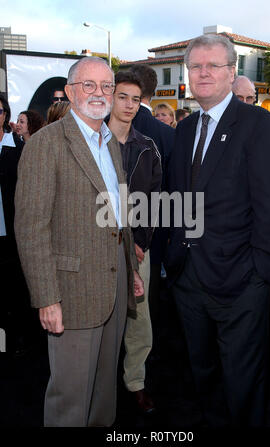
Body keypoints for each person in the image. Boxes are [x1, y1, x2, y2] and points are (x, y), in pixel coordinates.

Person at [165, 34, 270, 427]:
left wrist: (261, 274)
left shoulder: (259, 124)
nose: (203, 73)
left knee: (243, 385)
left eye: (212, 66)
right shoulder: (183, 131)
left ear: (231, 72)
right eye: (196, 66)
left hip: (242, 283)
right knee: (203, 379)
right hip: (188, 280)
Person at [14, 56, 144, 427]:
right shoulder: (46, 144)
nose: (99, 93)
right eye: (89, 85)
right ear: (71, 92)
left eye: (106, 86)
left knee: (105, 392)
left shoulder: (110, 142)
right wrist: (47, 298)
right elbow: (32, 227)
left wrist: (130, 268)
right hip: (71, 291)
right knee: (71, 398)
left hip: (115, 281)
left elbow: (119, 215)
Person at [108, 70, 162, 413]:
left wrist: (139, 242)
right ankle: (99, 385)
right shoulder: (92, 143)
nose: (129, 105)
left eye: (135, 99)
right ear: (110, 98)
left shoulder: (148, 147)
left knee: (139, 321)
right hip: (96, 247)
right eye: (122, 97)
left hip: (138, 249)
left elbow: (155, 201)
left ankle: (136, 382)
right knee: (99, 317)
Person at [129, 64, 175, 368]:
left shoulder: (103, 124)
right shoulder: (167, 134)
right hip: (155, 236)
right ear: (154, 91)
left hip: (110, 228)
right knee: (148, 308)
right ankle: (146, 367)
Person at [0, 94, 40, 355]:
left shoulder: (17, 145)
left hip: (12, 232)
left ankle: (18, 339)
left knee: (14, 286)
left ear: (5, 115)